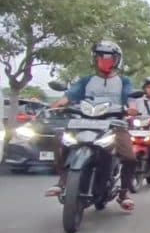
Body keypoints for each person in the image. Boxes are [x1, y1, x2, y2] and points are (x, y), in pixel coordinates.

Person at [45, 40, 138, 211]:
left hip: (114, 124)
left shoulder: (124, 82)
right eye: (101, 57)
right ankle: (63, 181)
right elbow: (70, 95)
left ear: (117, 60)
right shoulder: (86, 80)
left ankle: (124, 193)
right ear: (95, 59)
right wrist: (60, 103)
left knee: (130, 157)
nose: (105, 61)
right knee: (61, 139)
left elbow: (130, 97)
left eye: (109, 58)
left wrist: (131, 108)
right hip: (84, 122)